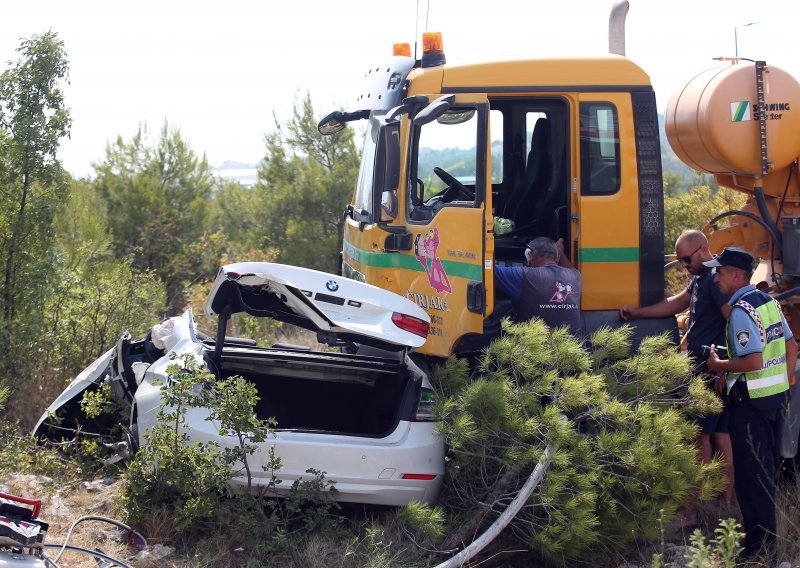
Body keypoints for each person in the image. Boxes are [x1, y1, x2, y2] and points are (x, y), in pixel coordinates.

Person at [620, 230, 735, 519]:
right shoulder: (702, 278)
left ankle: (693, 510)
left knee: (701, 437)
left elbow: (733, 319)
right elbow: (675, 303)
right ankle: (723, 503)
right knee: (720, 435)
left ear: (702, 249)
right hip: (708, 365)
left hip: (708, 366)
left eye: (686, 259)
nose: (684, 266)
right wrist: (637, 313)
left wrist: (725, 364)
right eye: (680, 260)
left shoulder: (715, 279)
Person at [705, 246, 798, 558]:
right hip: (771, 402)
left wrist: (719, 366)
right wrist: (785, 384)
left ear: (735, 275)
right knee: (764, 473)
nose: (715, 277)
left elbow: (753, 361)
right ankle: (766, 544)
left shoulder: (741, 312)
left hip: (751, 406)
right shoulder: (768, 302)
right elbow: (791, 346)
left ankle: (760, 550)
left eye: (719, 271)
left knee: (751, 479)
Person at [494, 237, 582, 337]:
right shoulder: (576, 276)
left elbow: (487, 270)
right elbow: (570, 267)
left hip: (537, 350)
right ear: (557, 258)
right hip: (574, 349)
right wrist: (560, 251)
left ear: (530, 256)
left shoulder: (524, 276)